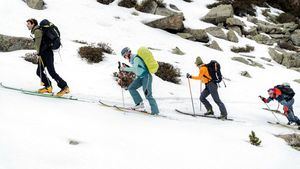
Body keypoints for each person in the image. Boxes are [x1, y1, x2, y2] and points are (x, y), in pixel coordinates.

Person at [26, 18, 69, 96]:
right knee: (39, 71)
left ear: (33, 24)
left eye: (28, 23)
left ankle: (65, 87)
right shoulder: (39, 30)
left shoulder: (37, 31)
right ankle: (48, 86)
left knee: (51, 72)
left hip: (46, 53)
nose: (27, 25)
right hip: (44, 53)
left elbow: (38, 44)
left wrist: (38, 53)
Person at [120, 47, 159, 115]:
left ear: (127, 53)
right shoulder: (132, 60)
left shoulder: (136, 58)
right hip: (140, 77)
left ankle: (155, 111)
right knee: (131, 88)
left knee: (148, 94)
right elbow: (137, 68)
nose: (125, 58)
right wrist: (125, 67)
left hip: (146, 77)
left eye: (124, 56)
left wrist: (124, 69)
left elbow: (134, 69)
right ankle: (139, 103)